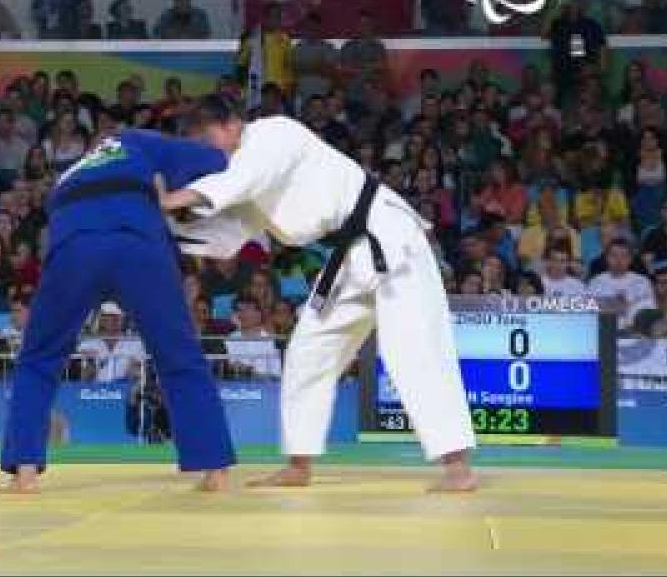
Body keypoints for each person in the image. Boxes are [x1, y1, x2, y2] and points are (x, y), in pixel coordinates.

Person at [161, 95, 476, 492]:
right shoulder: (250, 180)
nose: (207, 153)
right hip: (349, 257)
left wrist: (171, 199)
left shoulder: (273, 135)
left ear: (231, 124)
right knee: (309, 349)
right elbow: (226, 235)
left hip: (390, 240)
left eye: (207, 141)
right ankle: (299, 463)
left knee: (413, 349)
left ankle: (457, 466)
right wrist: (163, 227)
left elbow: (234, 183)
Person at [0, 128, 237, 494]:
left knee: (38, 358)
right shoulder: (135, 141)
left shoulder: (68, 175)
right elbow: (215, 160)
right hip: (136, 243)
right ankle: (214, 468)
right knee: (179, 355)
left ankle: (24, 471)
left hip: (74, 248)